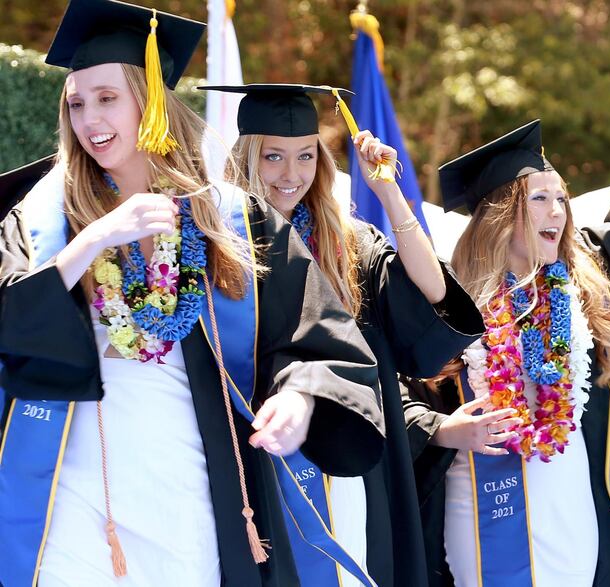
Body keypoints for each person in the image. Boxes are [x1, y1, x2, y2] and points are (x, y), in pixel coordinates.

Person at [0, 1, 385, 586]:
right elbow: (9, 319)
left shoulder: (229, 219)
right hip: (68, 483)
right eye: (76, 103)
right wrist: (95, 240)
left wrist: (301, 401)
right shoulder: (38, 219)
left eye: (108, 98)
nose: (89, 119)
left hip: (186, 480)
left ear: (150, 101)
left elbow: (317, 334)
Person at [403, 52, 610, 587]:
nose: (558, 211)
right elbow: (401, 390)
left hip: (574, 512)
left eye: (562, 198)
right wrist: (442, 430)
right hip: (479, 512)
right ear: (502, 212)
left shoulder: (585, 283)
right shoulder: (451, 301)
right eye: (540, 198)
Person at [197, 82, 485, 587]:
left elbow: (434, 294)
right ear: (245, 159)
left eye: (305, 156)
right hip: (261, 456)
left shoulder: (346, 243)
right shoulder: (217, 248)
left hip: (349, 453)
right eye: (273, 157)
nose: (291, 175)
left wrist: (390, 193)